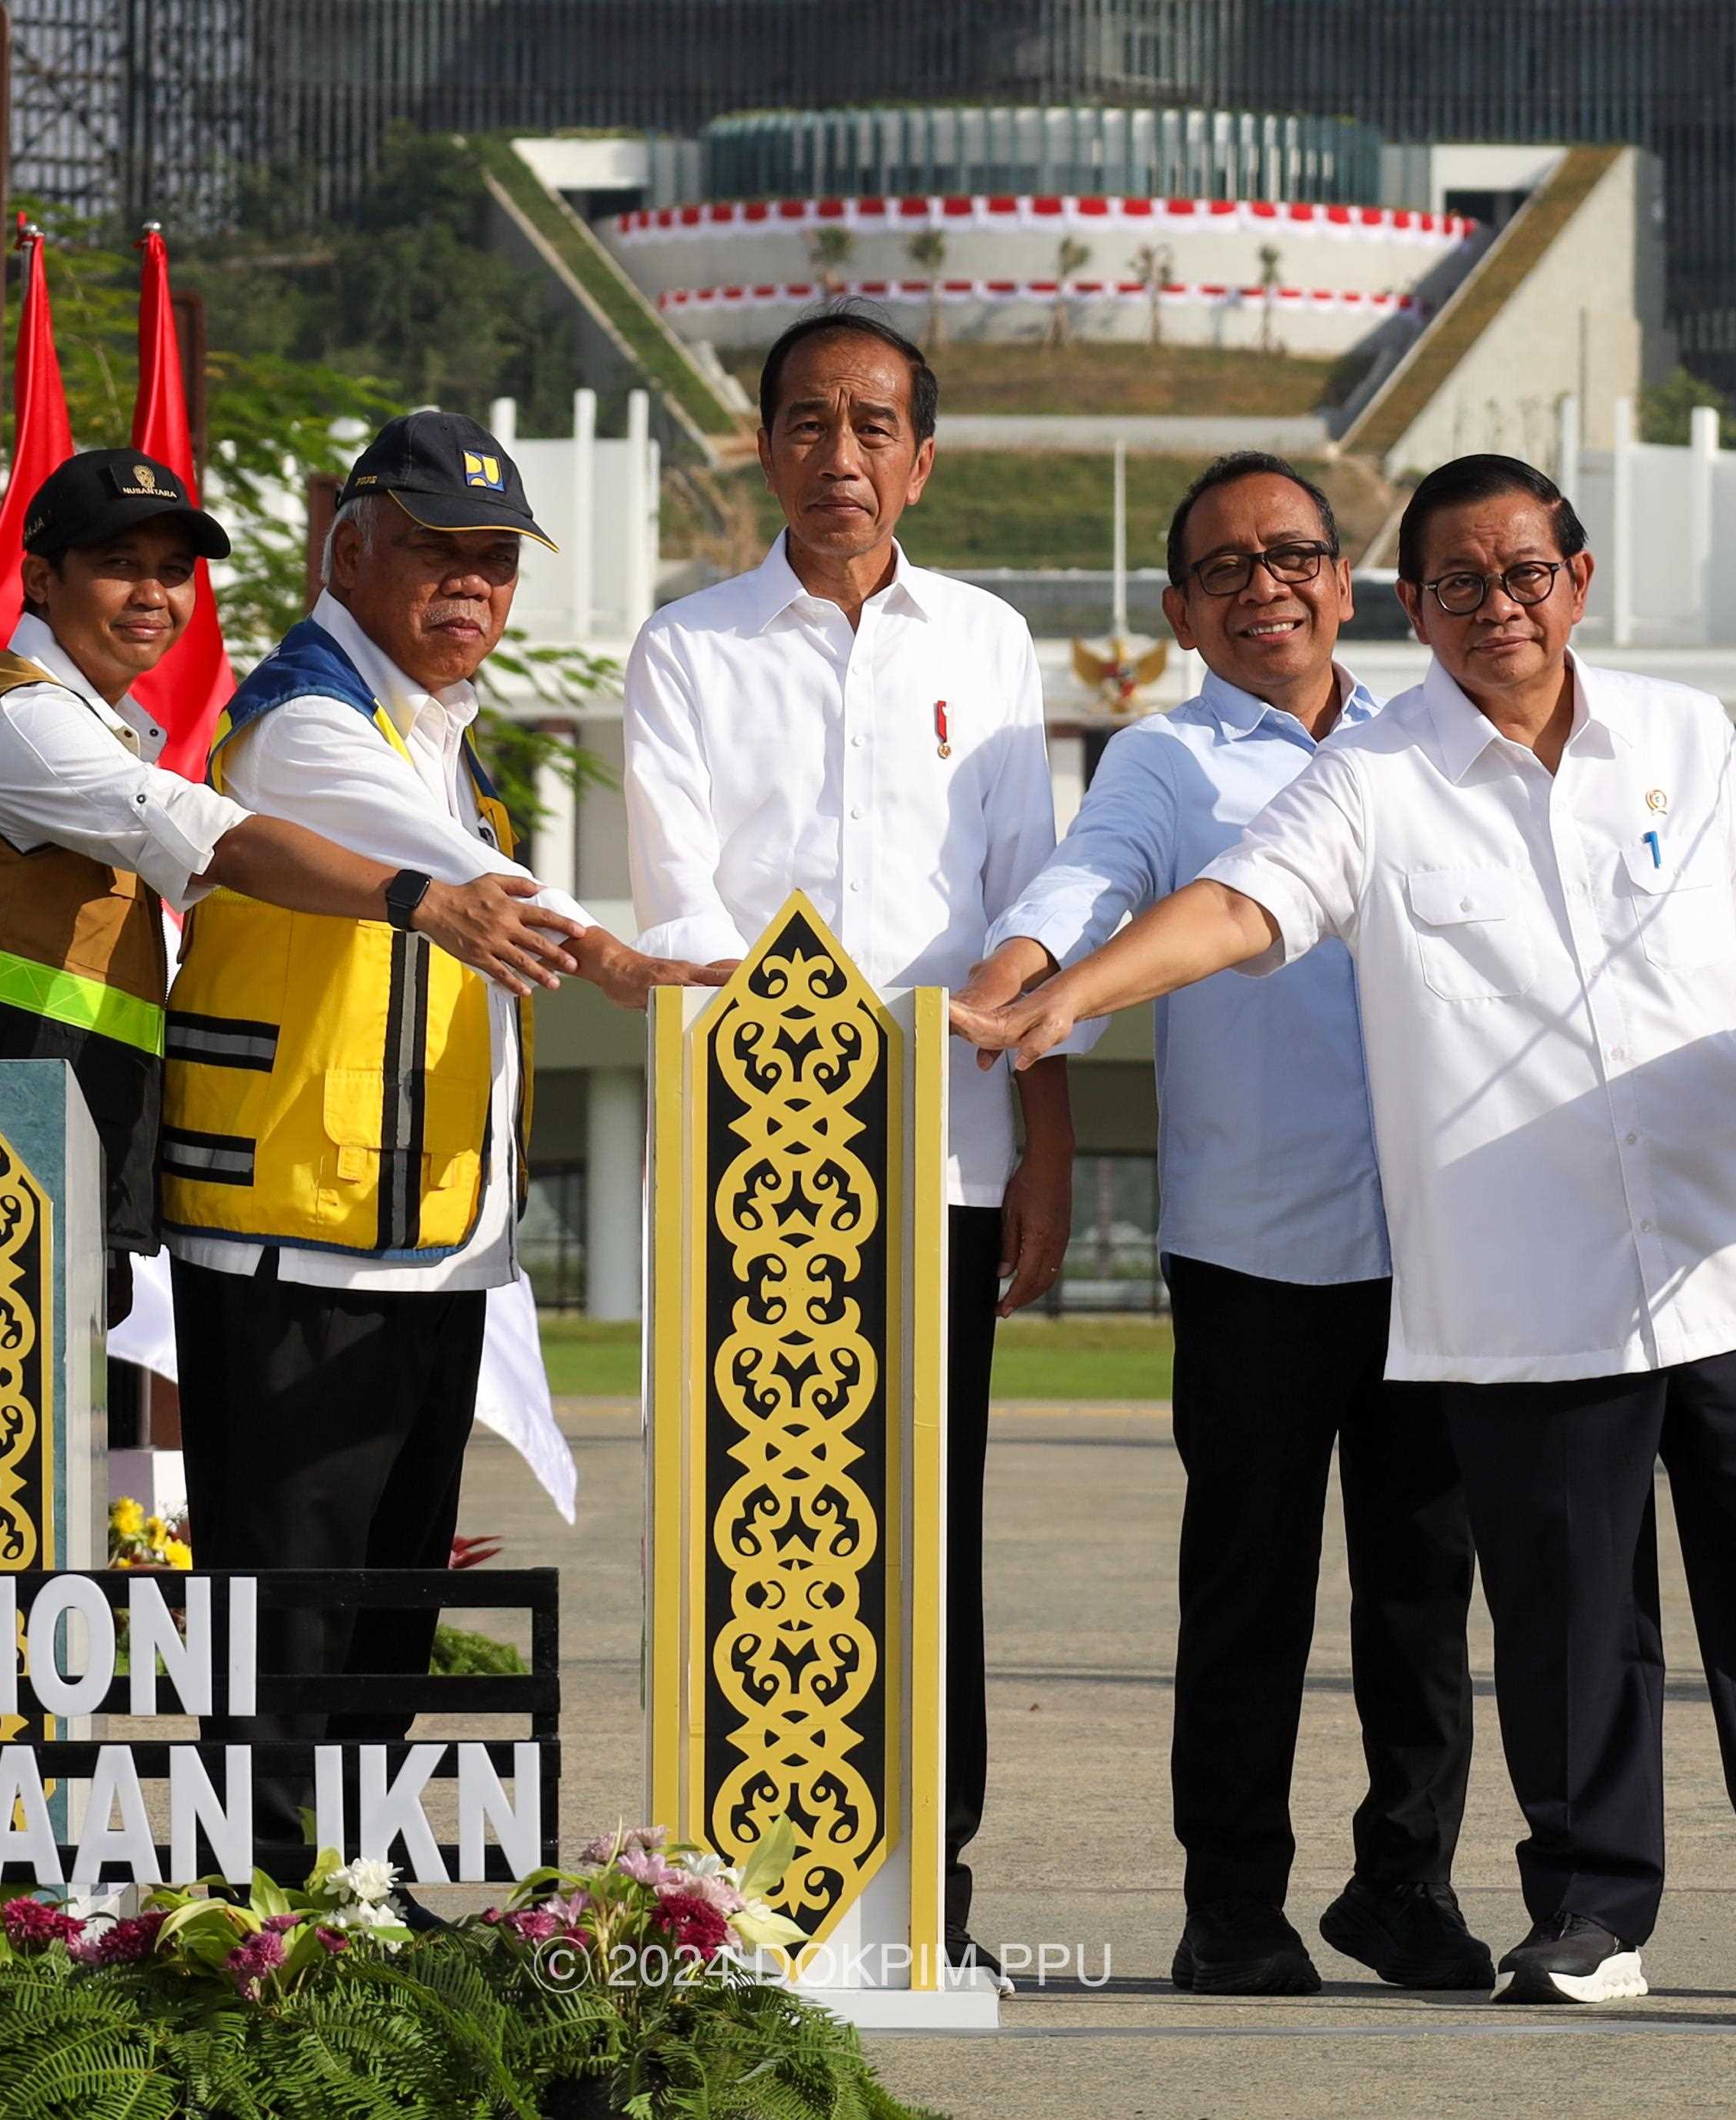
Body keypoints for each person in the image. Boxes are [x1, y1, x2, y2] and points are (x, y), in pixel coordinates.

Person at [952, 454, 1736, 2005]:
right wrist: (1060, 988)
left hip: (1714, 1239)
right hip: (1486, 1267)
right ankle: (1574, 1912)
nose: (1495, 606)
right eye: (1459, 585)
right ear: (1415, 603)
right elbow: (1226, 907)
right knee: (1559, 1613)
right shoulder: (1350, 774)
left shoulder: (1675, 734)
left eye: (1521, 574)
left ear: (1574, 579)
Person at [161, 411, 721, 1877]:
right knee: (285, 1604)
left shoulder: (450, 741)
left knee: (389, 1603)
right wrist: (591, 937)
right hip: (292, 1222)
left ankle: (350, 1880)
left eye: (494, 560)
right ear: (350, 549)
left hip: (426, 1242)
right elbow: (416, 849)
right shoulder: (301, 717)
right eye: (433, 551)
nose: (470, 587)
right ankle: (264, 1910)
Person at [962, 453, 1488, 1997]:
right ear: (1183, 612)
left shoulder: (1435, 739)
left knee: (1421, 1591)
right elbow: (1084, 883)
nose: (1267, 587)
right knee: (1248, 1591)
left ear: (1347, 582)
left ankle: (1405, 1885)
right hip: (1254, 1248)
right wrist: (1013, 979)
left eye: (1294, 556)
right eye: (1228, 569)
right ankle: (1233, 1910)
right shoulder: (1168, 760)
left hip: (1435, 1243)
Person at [621, 304, 1073, 1975]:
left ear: (923, 460)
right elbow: (680, 916)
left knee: (922, 1540)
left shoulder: (990, 645)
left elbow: (1030, 912)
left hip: (946, 1161)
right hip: (760, 1169)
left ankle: (922, 1904)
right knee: (754, 1520)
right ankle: (739, 1892)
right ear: (761, 446)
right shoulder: (687, 650)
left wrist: (1046, 1136)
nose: (840, 458)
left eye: (874, 427)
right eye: (807, 423)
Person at [0, 446, 569, 1322]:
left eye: (174, 572)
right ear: (41, 580)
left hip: (43, 1132)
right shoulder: (27, 722)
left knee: (29, 1445)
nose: (152, 596)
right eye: (118, 566)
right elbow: (221, 844)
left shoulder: (92, 722)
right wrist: (421, 899)